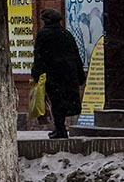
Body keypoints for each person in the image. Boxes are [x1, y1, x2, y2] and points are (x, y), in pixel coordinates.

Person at [32, 8, 86, 139]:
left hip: (53, 74)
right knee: (63, 101)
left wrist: (37, 73)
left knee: (56, 101)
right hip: (68, 74)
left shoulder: (43, 35)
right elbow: (76, 55)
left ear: (46, 21)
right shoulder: (66, 34)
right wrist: (80, 75)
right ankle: (60, 128)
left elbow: (39, 56)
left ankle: (60, 129)